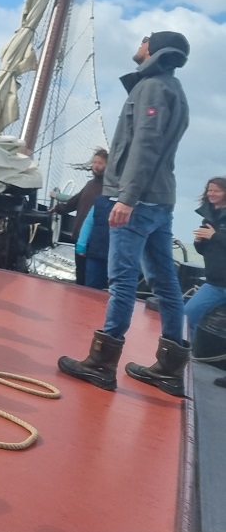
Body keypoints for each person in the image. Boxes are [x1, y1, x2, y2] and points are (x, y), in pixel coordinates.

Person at [58, 32, 191, 397]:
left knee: (122, 281)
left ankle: (101, 364)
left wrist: (127, 198)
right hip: (160, 201)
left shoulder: (150, 88)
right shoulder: (173, 89)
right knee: (166, 283)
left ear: (155, 49)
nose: (139, 43)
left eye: (146, 39)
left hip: (139, 201)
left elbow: (145, 144)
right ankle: (169, 368)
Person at [184, 178, 226, 387]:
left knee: (188, 314)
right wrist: (199, 242)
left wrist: (215, 235)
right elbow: (206, 250)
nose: (212, 194)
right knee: (188, 314)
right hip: (216, 280)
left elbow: (219, 240)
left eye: (216, 190)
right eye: (209, 190)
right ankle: (181, 360)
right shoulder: (209, 217)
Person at [50, 149, 109, 285]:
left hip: (95, 241)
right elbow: (75, 202)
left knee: (92, 280)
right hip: (80, 237)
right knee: (80, 276)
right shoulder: (90, 185)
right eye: (94, 162)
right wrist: (58, 209)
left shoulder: (109, 188)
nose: (96, 166)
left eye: (100, 163)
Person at [74, 195, 114, 291]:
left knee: (114, 289)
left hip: (116, 257)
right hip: (96, 254)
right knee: (92, 287)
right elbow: (89, 222)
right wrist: (81, 244)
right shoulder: (100, 202)